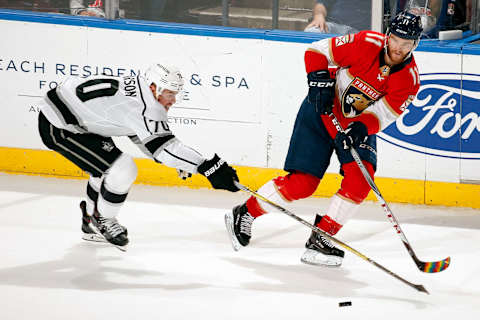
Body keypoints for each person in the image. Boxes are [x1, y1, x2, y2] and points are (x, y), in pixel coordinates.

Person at [225, 11, 422, 267]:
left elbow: (385, 112)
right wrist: (317, 81)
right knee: (302, 185)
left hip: (354, 125)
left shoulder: (410, 79)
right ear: (388, 35)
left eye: (406, 44)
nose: (398, 48)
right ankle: (245, 213)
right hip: (321, 111)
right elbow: (317, 51)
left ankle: (322, 237)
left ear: (415, 44)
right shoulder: (365, 43)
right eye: (396, 39)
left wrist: (361, 128)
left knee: (361, 181)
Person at [37, 63, 240, 251]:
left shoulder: (139, 90)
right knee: (122, 169)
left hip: (81, 118)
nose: (173, 100)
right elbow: (166, 149)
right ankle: (104, 220)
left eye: (175, 93)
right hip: (60, 126)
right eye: (169, 93)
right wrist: (209, 168)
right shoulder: (146, 107)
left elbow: (141, 135)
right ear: (154, 87)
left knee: (104, 169)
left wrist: (179, 160)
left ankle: (90, 221)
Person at [305, 0, 371, 35]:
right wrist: (319, 15)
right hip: (333, 26)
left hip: (359, 33)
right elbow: (320, 5)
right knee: (311, 32)